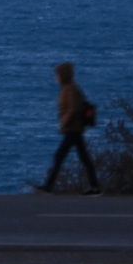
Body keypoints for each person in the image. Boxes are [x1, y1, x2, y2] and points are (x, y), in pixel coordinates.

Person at [34, 61, 101, 194]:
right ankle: (95, 187)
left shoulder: (70, 89)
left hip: (73, 129)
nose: (56, 77)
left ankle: (49, 186)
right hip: (74, 129)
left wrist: (64, 122)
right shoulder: (69, 87)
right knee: (83, 158)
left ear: (63, 75)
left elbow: (74, 109)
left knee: (60, 156)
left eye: (58, 74)